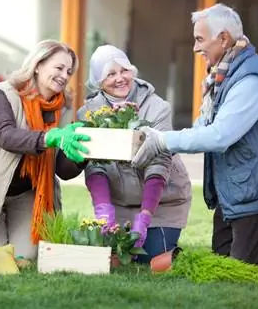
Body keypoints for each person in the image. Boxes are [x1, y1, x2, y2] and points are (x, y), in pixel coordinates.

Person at [132, 3, 258, 273]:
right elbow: (203, 126)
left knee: (250, 266)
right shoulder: (222, 77)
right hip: (236, 189)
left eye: (200, 39)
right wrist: (165, 139)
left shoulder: (251, 78)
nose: (195, 48)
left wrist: (163, 141)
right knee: (223, 255)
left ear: (223, 38)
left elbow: (220, 136)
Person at [0, 40, 90, 261]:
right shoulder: (3, 94)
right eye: (59, 68)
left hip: (26, 193)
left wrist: (82, 155)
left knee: (25, 256)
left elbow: (61, 170)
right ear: (38, 64)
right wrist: (49, 137)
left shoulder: (62, 106)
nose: (65, 75)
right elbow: (5, 135)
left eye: (69, 71)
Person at [77, 45, 192, 263]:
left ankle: (165, 242)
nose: (120, 78)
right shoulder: (88, 113)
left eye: (124, 70)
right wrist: (103, 212)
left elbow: (160, 162)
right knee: (118, 258)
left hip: (162, 203)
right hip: (119, 205)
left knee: (152, 258)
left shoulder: (158, 108)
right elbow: (94, 164)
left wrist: (146, 215)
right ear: (99, 82)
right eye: (111, 74)